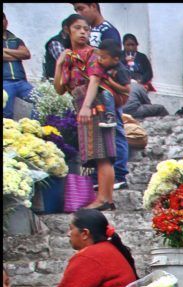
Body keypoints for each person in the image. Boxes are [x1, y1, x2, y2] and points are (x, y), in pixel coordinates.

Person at [54, 16, 116, 210]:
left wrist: (87, 106)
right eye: (78, 28)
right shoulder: (69, 57)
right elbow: (60, 89)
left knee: (102, 152)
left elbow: (95, 80)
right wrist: (58, 64)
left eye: (86, 29)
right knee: (94, 152)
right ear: (68, 31)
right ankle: (104, 197)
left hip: (94, 103)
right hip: (80, 102)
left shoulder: (92, 54)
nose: (83, 32)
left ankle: (105, 198)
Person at [72, 3, 128, 189]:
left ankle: (119, 174)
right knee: (98, 135)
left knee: (115, 129)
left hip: (108, 90)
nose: (79, 13)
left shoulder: (108, 30)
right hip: (93, 91)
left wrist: (113, 85)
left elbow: (112, 62)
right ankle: (100, 176)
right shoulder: (88, 31)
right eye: (76, 10)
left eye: (81, 8)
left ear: (93, 6)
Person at [91, 39, 130, 129]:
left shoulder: (121, 70)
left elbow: (127, 89)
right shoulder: (107, 65)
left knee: (106, 93)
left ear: (115, 59)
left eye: (103, 57)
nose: (100, 59)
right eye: (100, 56)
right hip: (112, 93)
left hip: (121, 96)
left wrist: (111, 82)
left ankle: (110, 117)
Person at [3, 13, 33, 120]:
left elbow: (26, 54)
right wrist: (17, 54)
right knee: (6, 114)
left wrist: (5, 50)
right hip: (4, 82)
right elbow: (21, 54)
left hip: (22, 82)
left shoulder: (16, 40)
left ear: (6, 22)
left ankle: (36, 130)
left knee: (40, 101)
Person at [44, 15, 76, 81]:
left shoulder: (72, 41)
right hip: (55, 81)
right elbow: (67, 62)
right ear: (66, 29)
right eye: (77, 28)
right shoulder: (55, 42)